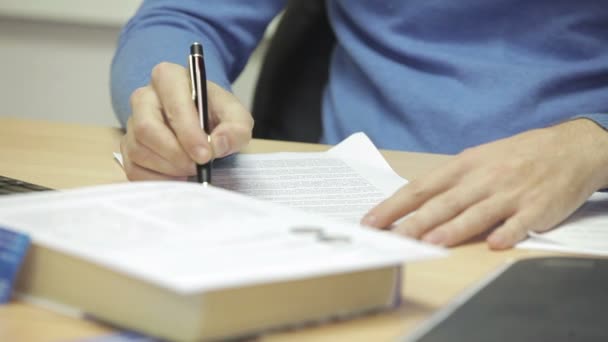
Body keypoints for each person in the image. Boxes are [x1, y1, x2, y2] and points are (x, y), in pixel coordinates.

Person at [111, 1, 608, 250]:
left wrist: (594, 144)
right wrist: (173, 104)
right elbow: (182, 18)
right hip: (356, 226)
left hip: (579, 223)